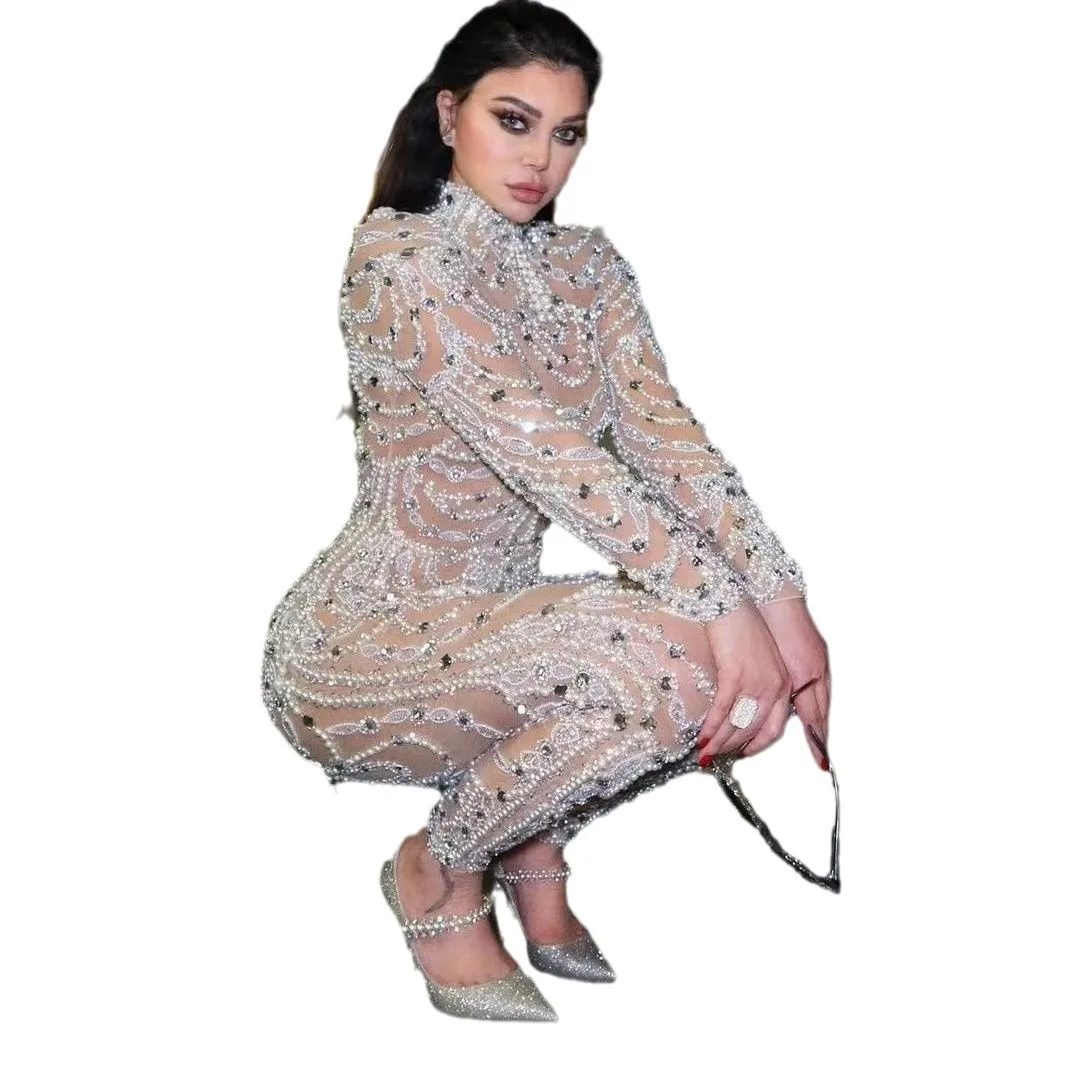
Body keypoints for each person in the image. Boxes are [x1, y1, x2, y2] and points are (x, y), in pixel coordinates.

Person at [261, 0, 832, 1021]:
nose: (541, 160)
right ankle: (440, 870)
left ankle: (531, 841)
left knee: (736, 669)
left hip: (494, 628)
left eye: (567, 133)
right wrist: (724, 608)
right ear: (449, 115)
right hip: (359, 641)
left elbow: (667, 442)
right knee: (685, 656)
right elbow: (551, 457)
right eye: (512, 121)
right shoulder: (398, 261)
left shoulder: (588, 269)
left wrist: (786, 609)